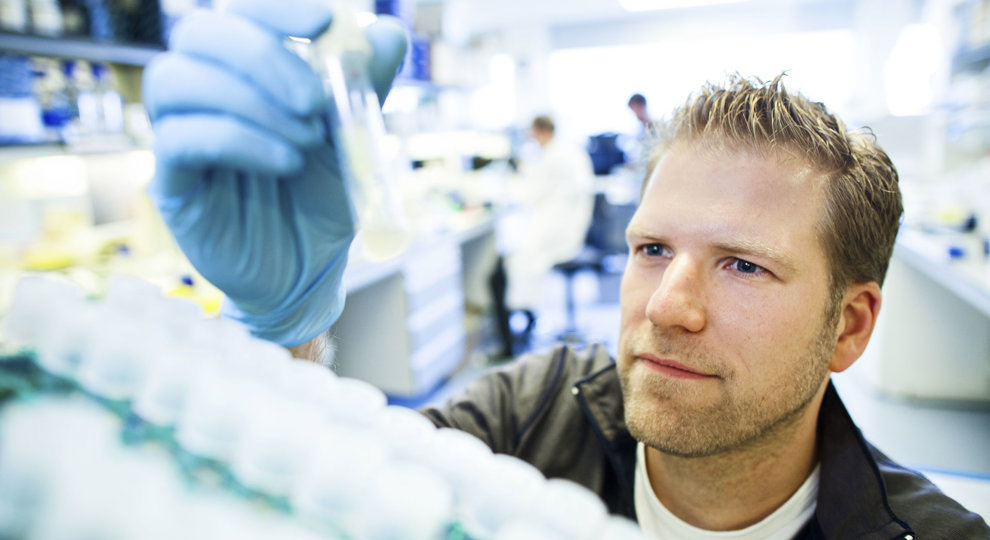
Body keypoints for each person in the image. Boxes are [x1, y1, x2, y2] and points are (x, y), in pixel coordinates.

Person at [144, 0, 990, 536]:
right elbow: (313, 493)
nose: (667, 308)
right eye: (652, 249)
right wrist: (281, 336)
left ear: (848, 326)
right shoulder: (533, 415)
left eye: (742, 266)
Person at [490, 114, 596, 357]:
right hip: (570, 230)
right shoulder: (569, 152)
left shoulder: (554, 157)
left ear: (539, 131)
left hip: (556, 234)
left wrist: (512, 176)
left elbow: (529, 195)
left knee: (506, 269)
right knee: (514, 264)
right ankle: (527, 321)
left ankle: (513, 339)